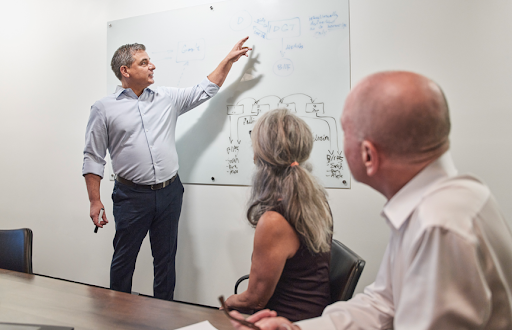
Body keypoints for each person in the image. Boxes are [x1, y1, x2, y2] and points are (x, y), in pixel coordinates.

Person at [228, 71, 512, 329]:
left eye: (345, 131)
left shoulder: (438, 227)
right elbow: (384, 303)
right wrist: (297, 328)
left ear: (368, 155)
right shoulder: (445, 203)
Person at [82, 37, 252, 301]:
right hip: (131, 197)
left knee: (165, 261)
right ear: (125, 71)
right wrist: (95, 200)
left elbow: (205, 89)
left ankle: (165, 317)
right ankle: (116, 319)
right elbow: (93, 156)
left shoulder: (167, 98)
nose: (153, 66)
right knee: (124, 261)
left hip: (170, 192)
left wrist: (228, 61)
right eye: (144, 62)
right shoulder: (104, 108)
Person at [223, 109, 333, 322]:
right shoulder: (316, 199)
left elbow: (254, 300)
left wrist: (227, 302)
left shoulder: (274, 221)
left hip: (283, 322)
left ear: (258, 156)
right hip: (312, 318)